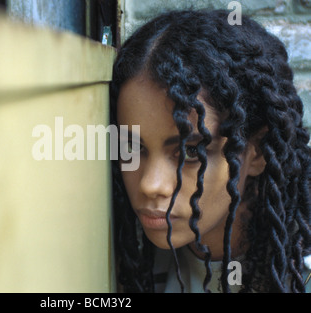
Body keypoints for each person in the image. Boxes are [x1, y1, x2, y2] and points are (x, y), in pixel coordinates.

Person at [110, 9, 311, 293]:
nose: (150, 185)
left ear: (258, 152)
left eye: (191, 152)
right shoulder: (129, 261)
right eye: (132, 148)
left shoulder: (299, 273)